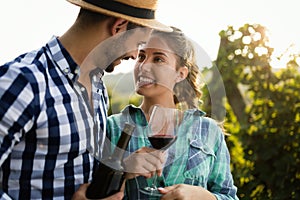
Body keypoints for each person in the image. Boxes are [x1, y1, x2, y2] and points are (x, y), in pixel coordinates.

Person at [0, 0, 172, 199]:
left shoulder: (98, 88)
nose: (135, 55)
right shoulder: (24, 82)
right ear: (119, 27)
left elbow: (81, 170)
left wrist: (124, 168)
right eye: (139, 45)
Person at [106, 27, 239, 199]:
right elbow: (92, 193)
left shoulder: (208, 130)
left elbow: (229, 195)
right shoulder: (112, 127)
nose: (144, 66)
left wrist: (205, 197)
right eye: (141, 56)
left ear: (180, 73)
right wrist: (122, 171)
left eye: (158, 59)